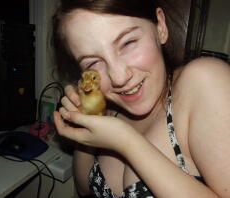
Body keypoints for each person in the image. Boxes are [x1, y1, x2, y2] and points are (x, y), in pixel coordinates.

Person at [52, 0, 230, 197]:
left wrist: (126, 142)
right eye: (93, 62)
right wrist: (86, 124)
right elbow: (84, 189)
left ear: (160, 26)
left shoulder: (204, 81)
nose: (119, 77)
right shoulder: (109, 112)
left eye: (128, 43)